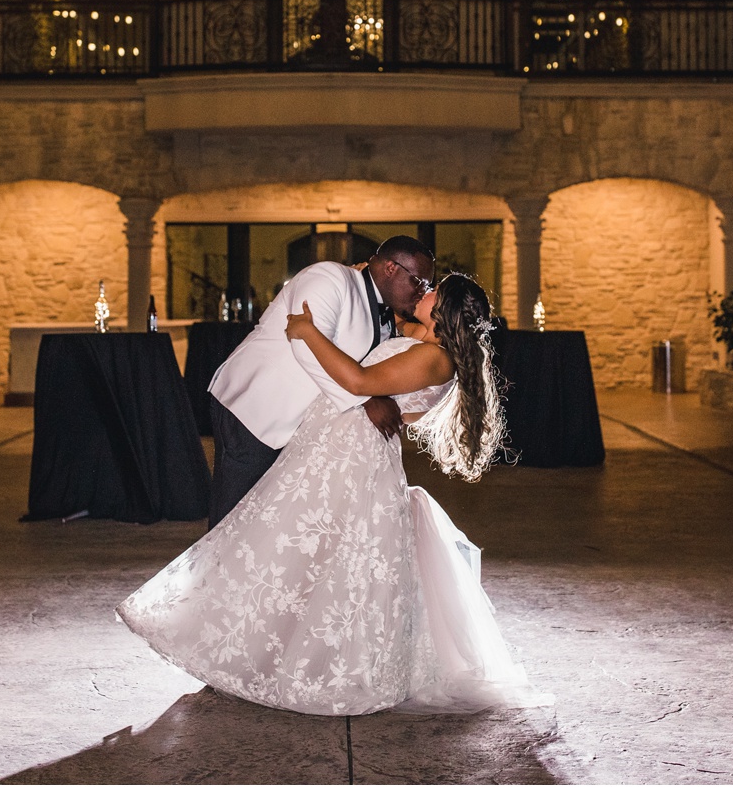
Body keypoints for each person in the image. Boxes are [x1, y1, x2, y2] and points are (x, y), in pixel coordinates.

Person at [117, 273, 550, 716]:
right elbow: (388, 336)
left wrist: (307, 332)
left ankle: (296, 659)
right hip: (336, 443)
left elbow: (361, 382)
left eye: (434, 289)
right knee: (298, 550)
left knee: (301, 549)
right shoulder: (423, 340)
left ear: (446, 308)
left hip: (351, 456)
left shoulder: (435, 360)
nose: (425, 289)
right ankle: (251, 644)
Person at [202, 235, 435, 528]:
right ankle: (214, 574)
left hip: (301, 428)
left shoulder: (387, 311)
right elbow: (305, 343)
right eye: (419, 281)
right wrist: (365, 399)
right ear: (391, 268)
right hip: (257, 409)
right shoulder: (329, 277)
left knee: (269, 525)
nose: (422, 291)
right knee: (233, 520)